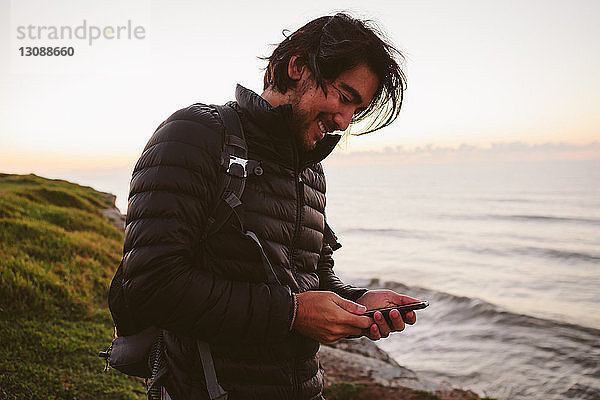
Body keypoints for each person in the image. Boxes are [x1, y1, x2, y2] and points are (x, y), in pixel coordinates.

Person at [108, 12, 420, 400]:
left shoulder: (309, 170)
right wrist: (291, 313)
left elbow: (310, 280)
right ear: (297, 68)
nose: (344, 120)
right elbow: (151, 285)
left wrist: (356, 304)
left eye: (356, 110)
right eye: (344, 96)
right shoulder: (195, 134)